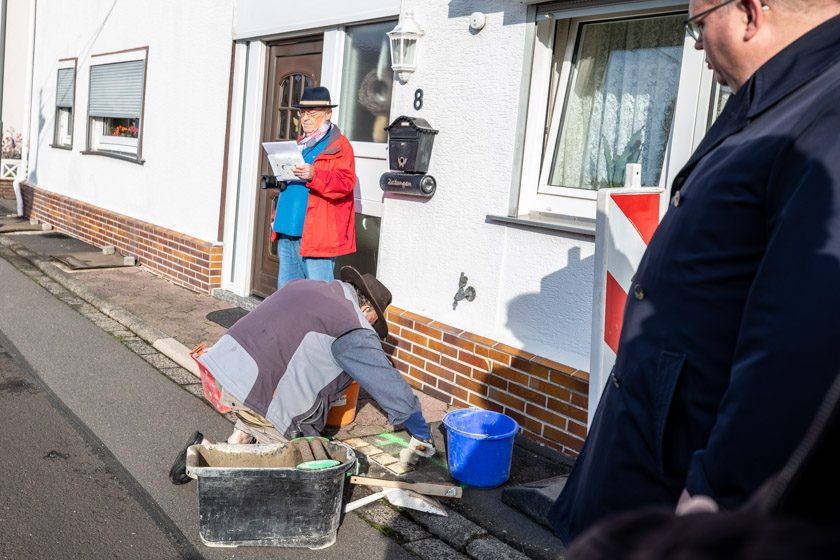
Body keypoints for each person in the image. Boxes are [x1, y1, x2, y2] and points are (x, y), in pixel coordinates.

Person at [549, 0, 840, 545]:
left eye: (698, 24)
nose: (698, 45)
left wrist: (720, 492)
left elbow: (804, 335)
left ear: (752, 13)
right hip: (650, 459)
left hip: (686, 490)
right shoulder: (772, 100)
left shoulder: (826, 109)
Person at [169, 266, 435, 484]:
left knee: (269, 399)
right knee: (290, 475)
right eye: (374, 323)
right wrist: (421, 434)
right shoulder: (352, 325)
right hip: (257, 395)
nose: (370, 328)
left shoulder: (305, 286)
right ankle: (206, 458)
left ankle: (238, 440)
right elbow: (389, 386)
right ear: (369, 312)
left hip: (223, 368)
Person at [271, 86, 356, 289]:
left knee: (318, 296)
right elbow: (291, 186)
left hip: (317, 235)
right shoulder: (300, 143)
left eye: (313, 113)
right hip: (287, 229)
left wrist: (315, 175)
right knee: (287, 295)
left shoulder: (340, 146)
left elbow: (346, 182)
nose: (306, 118)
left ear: (328, 114)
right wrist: (276, 215)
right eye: (303, 113)